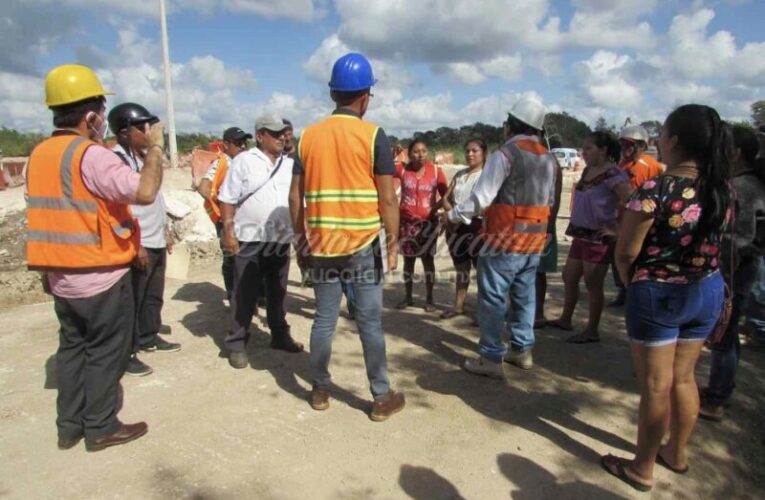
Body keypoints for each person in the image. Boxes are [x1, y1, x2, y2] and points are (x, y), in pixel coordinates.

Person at [26, 64, 164, 451]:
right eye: (102, 111)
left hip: (60, 275)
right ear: (91, 116)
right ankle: (101, 426)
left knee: (72, 348)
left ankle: (69, 426)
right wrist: (155, 146)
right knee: (106, 351)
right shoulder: (90, 156)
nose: (103, 119)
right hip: (98, 274)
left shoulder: (40, 154)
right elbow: (144, 191)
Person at [602, 104, 732, 492]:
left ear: (674, 141)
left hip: (659, 294)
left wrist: (632, 282)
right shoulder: (722, 186)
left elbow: (626, 252)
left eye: (662, 134)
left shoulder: (655, 189)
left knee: (656, 386)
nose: (658, 141)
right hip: (705, 288)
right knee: (683, 378)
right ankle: (676, 453)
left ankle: (641, 468)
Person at [289, 52, 405, 421]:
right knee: (369, 322)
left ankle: (320, 388)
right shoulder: (373, 136)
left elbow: (296, 197)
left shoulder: (307, 136)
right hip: (362, 243)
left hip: (322, 245)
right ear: (365, 95)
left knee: (324, 320)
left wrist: (300, 241)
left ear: (333, 94)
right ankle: (381, 397)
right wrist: (393, 242)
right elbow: (387, 197)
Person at [445, 97, 557, 377]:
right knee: (524, 295)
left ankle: (491, 359)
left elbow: (481, 199)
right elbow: (551, 200)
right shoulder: (549, 158)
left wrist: (451, 215)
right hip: (534, 241)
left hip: (504, 240)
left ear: (512, 124)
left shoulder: (507, 154)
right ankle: (522, 350)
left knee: (493, 298)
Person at [218, 114, 303, 369]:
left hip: (279, 239)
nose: (281, 138)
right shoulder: (244, 161)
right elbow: (227, 198)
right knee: (245, 293)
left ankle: (279, 335)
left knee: (277, 292)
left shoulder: (289, 164)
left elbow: (298, 200)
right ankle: (236, 343)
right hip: (250, 239)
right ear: (259, 136)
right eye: (274, 134)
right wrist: (229, 232)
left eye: (283, 134)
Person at [108, 103, 181, 377]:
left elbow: (154, 199)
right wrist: (135, 244)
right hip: (136, 242)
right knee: (131, 302)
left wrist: (165, 229)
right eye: (142, 128)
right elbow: (118, 209)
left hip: (155, 238)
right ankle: (127, 352)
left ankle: (149, 336)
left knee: (152, 296)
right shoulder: (115, 160)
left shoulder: (141, 159)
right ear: (124, 131)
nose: (148, 133)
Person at [700, 125, 765, 420]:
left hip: (736, 268)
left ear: (736, 152)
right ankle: (720, 387)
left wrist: (713, 245)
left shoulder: (744, 187)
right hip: (737, 266)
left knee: (724, 333)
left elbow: (745, 236)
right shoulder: (743, 183)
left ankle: (716, 398)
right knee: (727, 332)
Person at [548, 132, 633, 343]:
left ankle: (592, 330)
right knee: (569, 276)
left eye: (588, 149)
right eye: (583, 149)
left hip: (598, 238)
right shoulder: (588, 171)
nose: (583, 153)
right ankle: (565, 319)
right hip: (580, 233)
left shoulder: (614, 175)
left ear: (603, 150)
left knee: (593, 284)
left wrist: (618, 230)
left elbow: (633, 202)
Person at [608, 125, 665, 306]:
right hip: (620, 219)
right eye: (623, 144)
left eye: (630, 144)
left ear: (642, 146)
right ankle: (623, 291)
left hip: (640, 220)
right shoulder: (621, 165)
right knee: (618, 256)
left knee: (636, 256)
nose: (626, 148)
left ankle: (636, 293)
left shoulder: (650, 166)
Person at [197, 127, 252, 301]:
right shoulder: (221, 163)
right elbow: (204, 187)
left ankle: (252, 295)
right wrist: (222, 203)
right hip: (227, 221)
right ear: (226, 144)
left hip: (245, 219)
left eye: (244, 142)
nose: (243, 146)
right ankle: (233, 295)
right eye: (238, 143)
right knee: (231, 258)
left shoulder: (245, 161)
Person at [394, 139, 448, 312]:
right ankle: (408, 296)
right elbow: (381, 168)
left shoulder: (436, 171)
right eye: (416, 151)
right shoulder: (402, 169)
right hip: (407, 225)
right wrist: (394, 154)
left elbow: (446, 196)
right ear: (409, 153)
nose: (420, 155)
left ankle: (430, 298)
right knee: (408, 262)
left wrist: (436, 210)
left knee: (428, 261)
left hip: (428, 225)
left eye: (424, 151)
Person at [439, 137, 487, 319]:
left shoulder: (486, 176)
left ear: (484, 153)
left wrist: (455, 216)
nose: (470, 154)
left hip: (476, 227)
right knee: (461, 268)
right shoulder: (460, 175)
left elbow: (481, 204)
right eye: (467, 151)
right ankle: (459, 305)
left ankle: (484, 311)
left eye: (475, 150)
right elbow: (445, 198)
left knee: (482, 270)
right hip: (455, 228)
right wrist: (452, 216)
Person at [534, 155, 563, 328]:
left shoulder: (551, 162)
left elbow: (556, 196)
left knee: (538, 271)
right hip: (522, 222)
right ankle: (521, 308)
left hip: (541, 221)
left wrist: (550, 223)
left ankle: (538, 312)